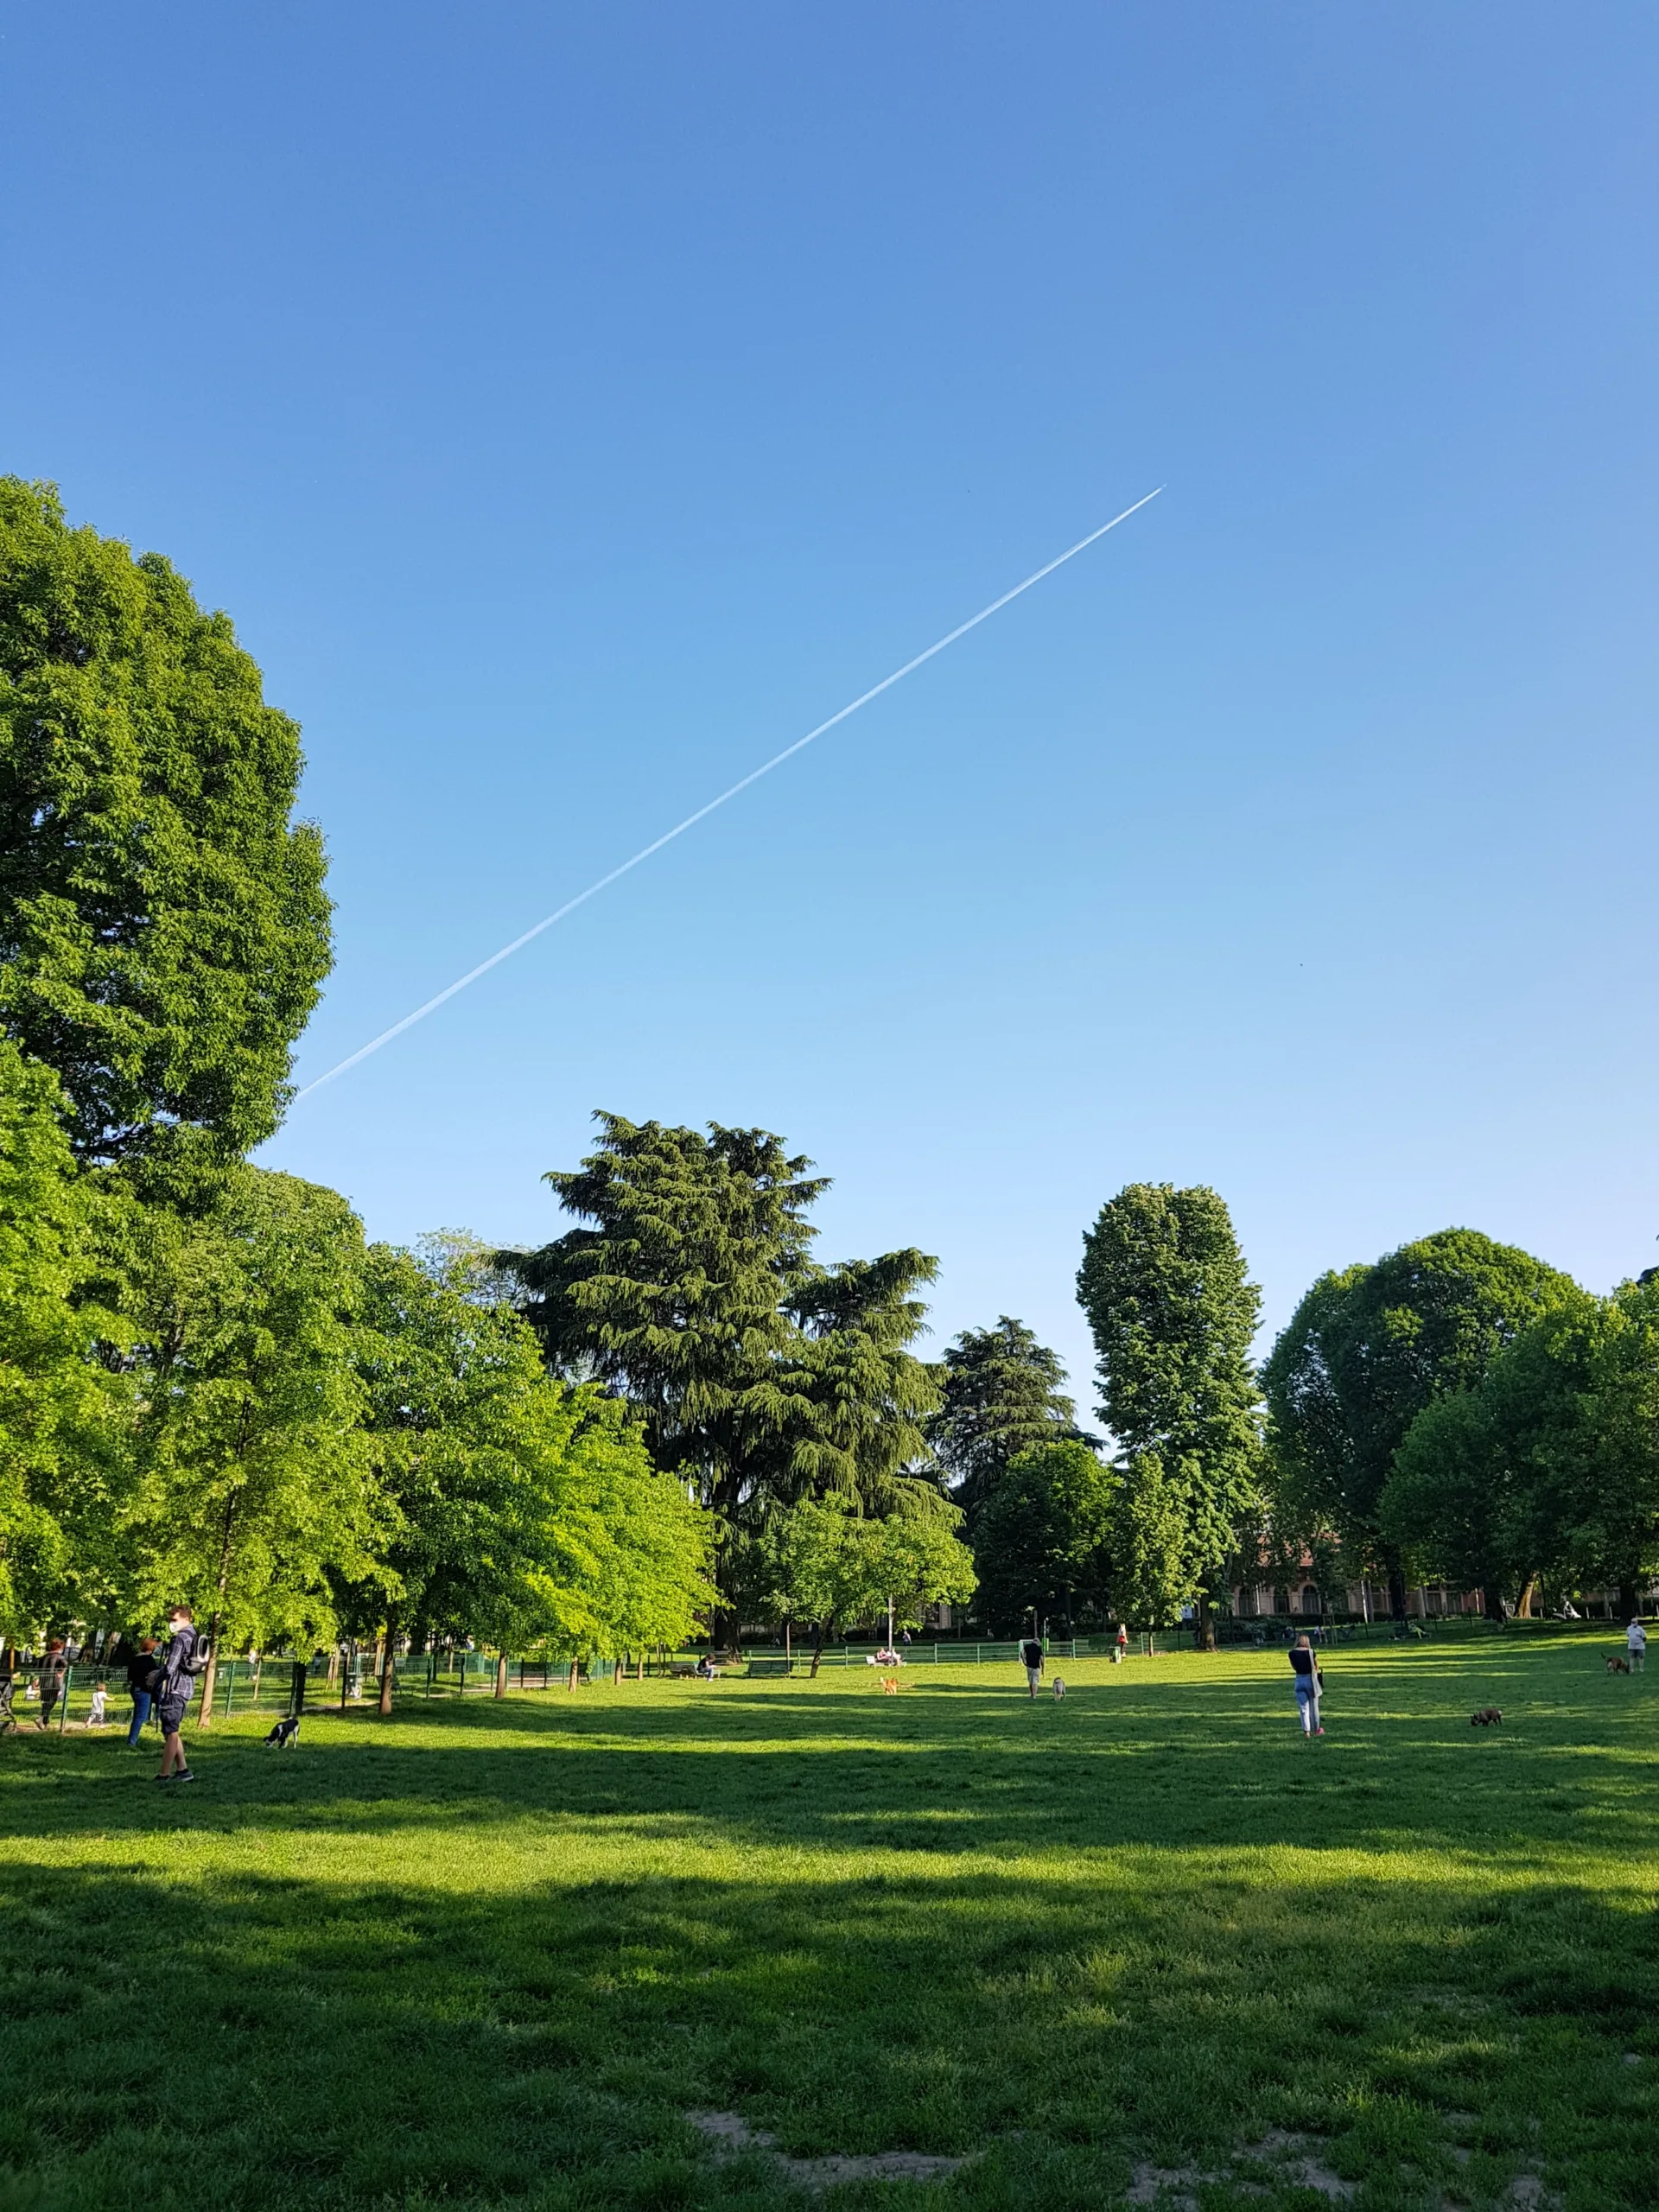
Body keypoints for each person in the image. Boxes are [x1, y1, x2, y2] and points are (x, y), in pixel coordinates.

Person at [154, 1606, 202, 1783]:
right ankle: (183, 1770)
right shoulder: (194, 1635)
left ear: (186, 1619)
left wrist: (155, 1678)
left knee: (171, 1732)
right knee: (171, 1730)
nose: (171, 1624)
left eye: (174, 1620)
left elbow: (170, 1667)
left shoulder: (180, 1638)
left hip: (174, 1689)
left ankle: (164, 1774)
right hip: (187, 1688)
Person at [124, 1637, 158, 1748]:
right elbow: (155, 1674)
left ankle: (132, 1739)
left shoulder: (134, 1659)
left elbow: (130, 1676)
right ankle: (132, 1742)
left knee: (137, 1715)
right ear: (152, 1648)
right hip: (144, 1690)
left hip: (135, 1688)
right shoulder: (149, 1660)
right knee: (140, 1717)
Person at [1289, 1632, 1323, 1737]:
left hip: (1299, 1680)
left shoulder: (1291, 1653)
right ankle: (1316, 1730)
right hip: (1310, 1680)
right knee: (1314, 1707)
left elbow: (1294, 1667)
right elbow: (1316, 1666)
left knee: (1303, 1708)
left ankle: (1306, 1732)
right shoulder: (1311, 1652)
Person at [36, 1640, 67, 1731]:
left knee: (45, 1701)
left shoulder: (43, 1657)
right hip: (53, 1682)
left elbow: (37, 1667)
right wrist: (61, 1673)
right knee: (52, 1701)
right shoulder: (59, 1657)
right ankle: (42, 1717)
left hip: (43, 1681)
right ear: (60, 1647)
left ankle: (45, 1722)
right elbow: (65, 1664)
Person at [1020, 1634, 1044, 1698]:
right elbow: (1042, 1659)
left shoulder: (1027, 1646)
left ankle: (1031, 1694)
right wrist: (1043, 1668)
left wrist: (1024, 1661)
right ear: (1038, 1642)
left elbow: (1022, 1652)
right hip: (1036, 1667)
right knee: (1035, 1680)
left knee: (1030, 1681)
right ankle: (1034, 1696)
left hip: (1029, 1666)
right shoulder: (1039, 1649)